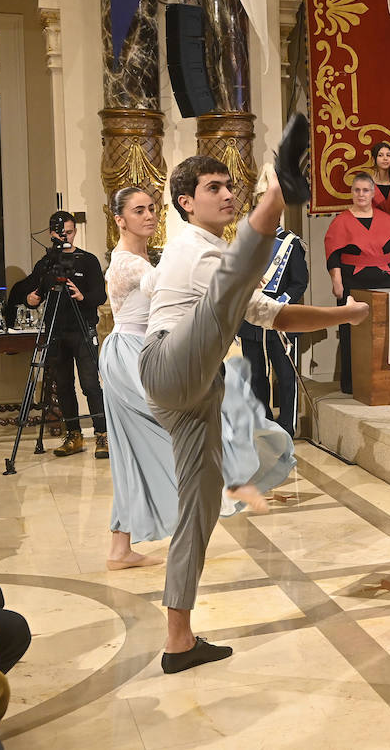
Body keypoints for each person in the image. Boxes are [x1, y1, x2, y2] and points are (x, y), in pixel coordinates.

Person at [140, 149, 369, 673]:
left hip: (197, 388)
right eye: (213, 188)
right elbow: (251, 300)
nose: (225, 193)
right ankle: (281, 184)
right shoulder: (195, 249)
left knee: (199, 512)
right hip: (168, 365)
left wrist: (344, 316)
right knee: (232, 281)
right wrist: (280, 190)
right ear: (186, 203)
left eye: (228, 185)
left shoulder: (214, 255)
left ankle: (178, 639)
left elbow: (272, 314)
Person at [103, 187, 295, 571]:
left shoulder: (146, 258)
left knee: (136, 451)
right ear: (120, 220)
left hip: (141, 351)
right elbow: (168, 287)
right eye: (138, 211)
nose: (149, 216)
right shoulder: (128, 263)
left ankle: (119, 548)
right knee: (178, 436)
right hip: (132, 355)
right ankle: (211, 496)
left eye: (152, 209)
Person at [16, 212, 108, 458]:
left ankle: (103, 435)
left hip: (83, 329)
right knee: (64, 385)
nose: (64, 237)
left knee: (89, 384)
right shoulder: (46, 264)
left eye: (68, 232)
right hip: (56, 331)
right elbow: (33, 293)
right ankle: (73, 434)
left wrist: (82, 297)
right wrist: (31, 300)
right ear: (51, 233)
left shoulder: (87, 261)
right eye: (59, 233)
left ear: (74, 231)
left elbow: (100, 296)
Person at [326, 173, 390, 394]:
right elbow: (333, 255)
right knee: (351, 333)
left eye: (365, 190)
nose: (361, 194)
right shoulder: (341, 221)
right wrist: (337, 282)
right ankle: (352, 383)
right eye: (357, 190)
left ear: (373, 193)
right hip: (352, 282)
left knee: (383, 331)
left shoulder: (386, 219)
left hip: (384, 282)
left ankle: (382, 379)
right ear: (352, 193)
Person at [240, 223, 307, 436]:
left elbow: (299, 282)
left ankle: (287, 427)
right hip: (251, 320)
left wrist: (279, 304)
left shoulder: (291, 243)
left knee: (286, 376)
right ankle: (262, 424)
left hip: (281, 317)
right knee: (255, 375)